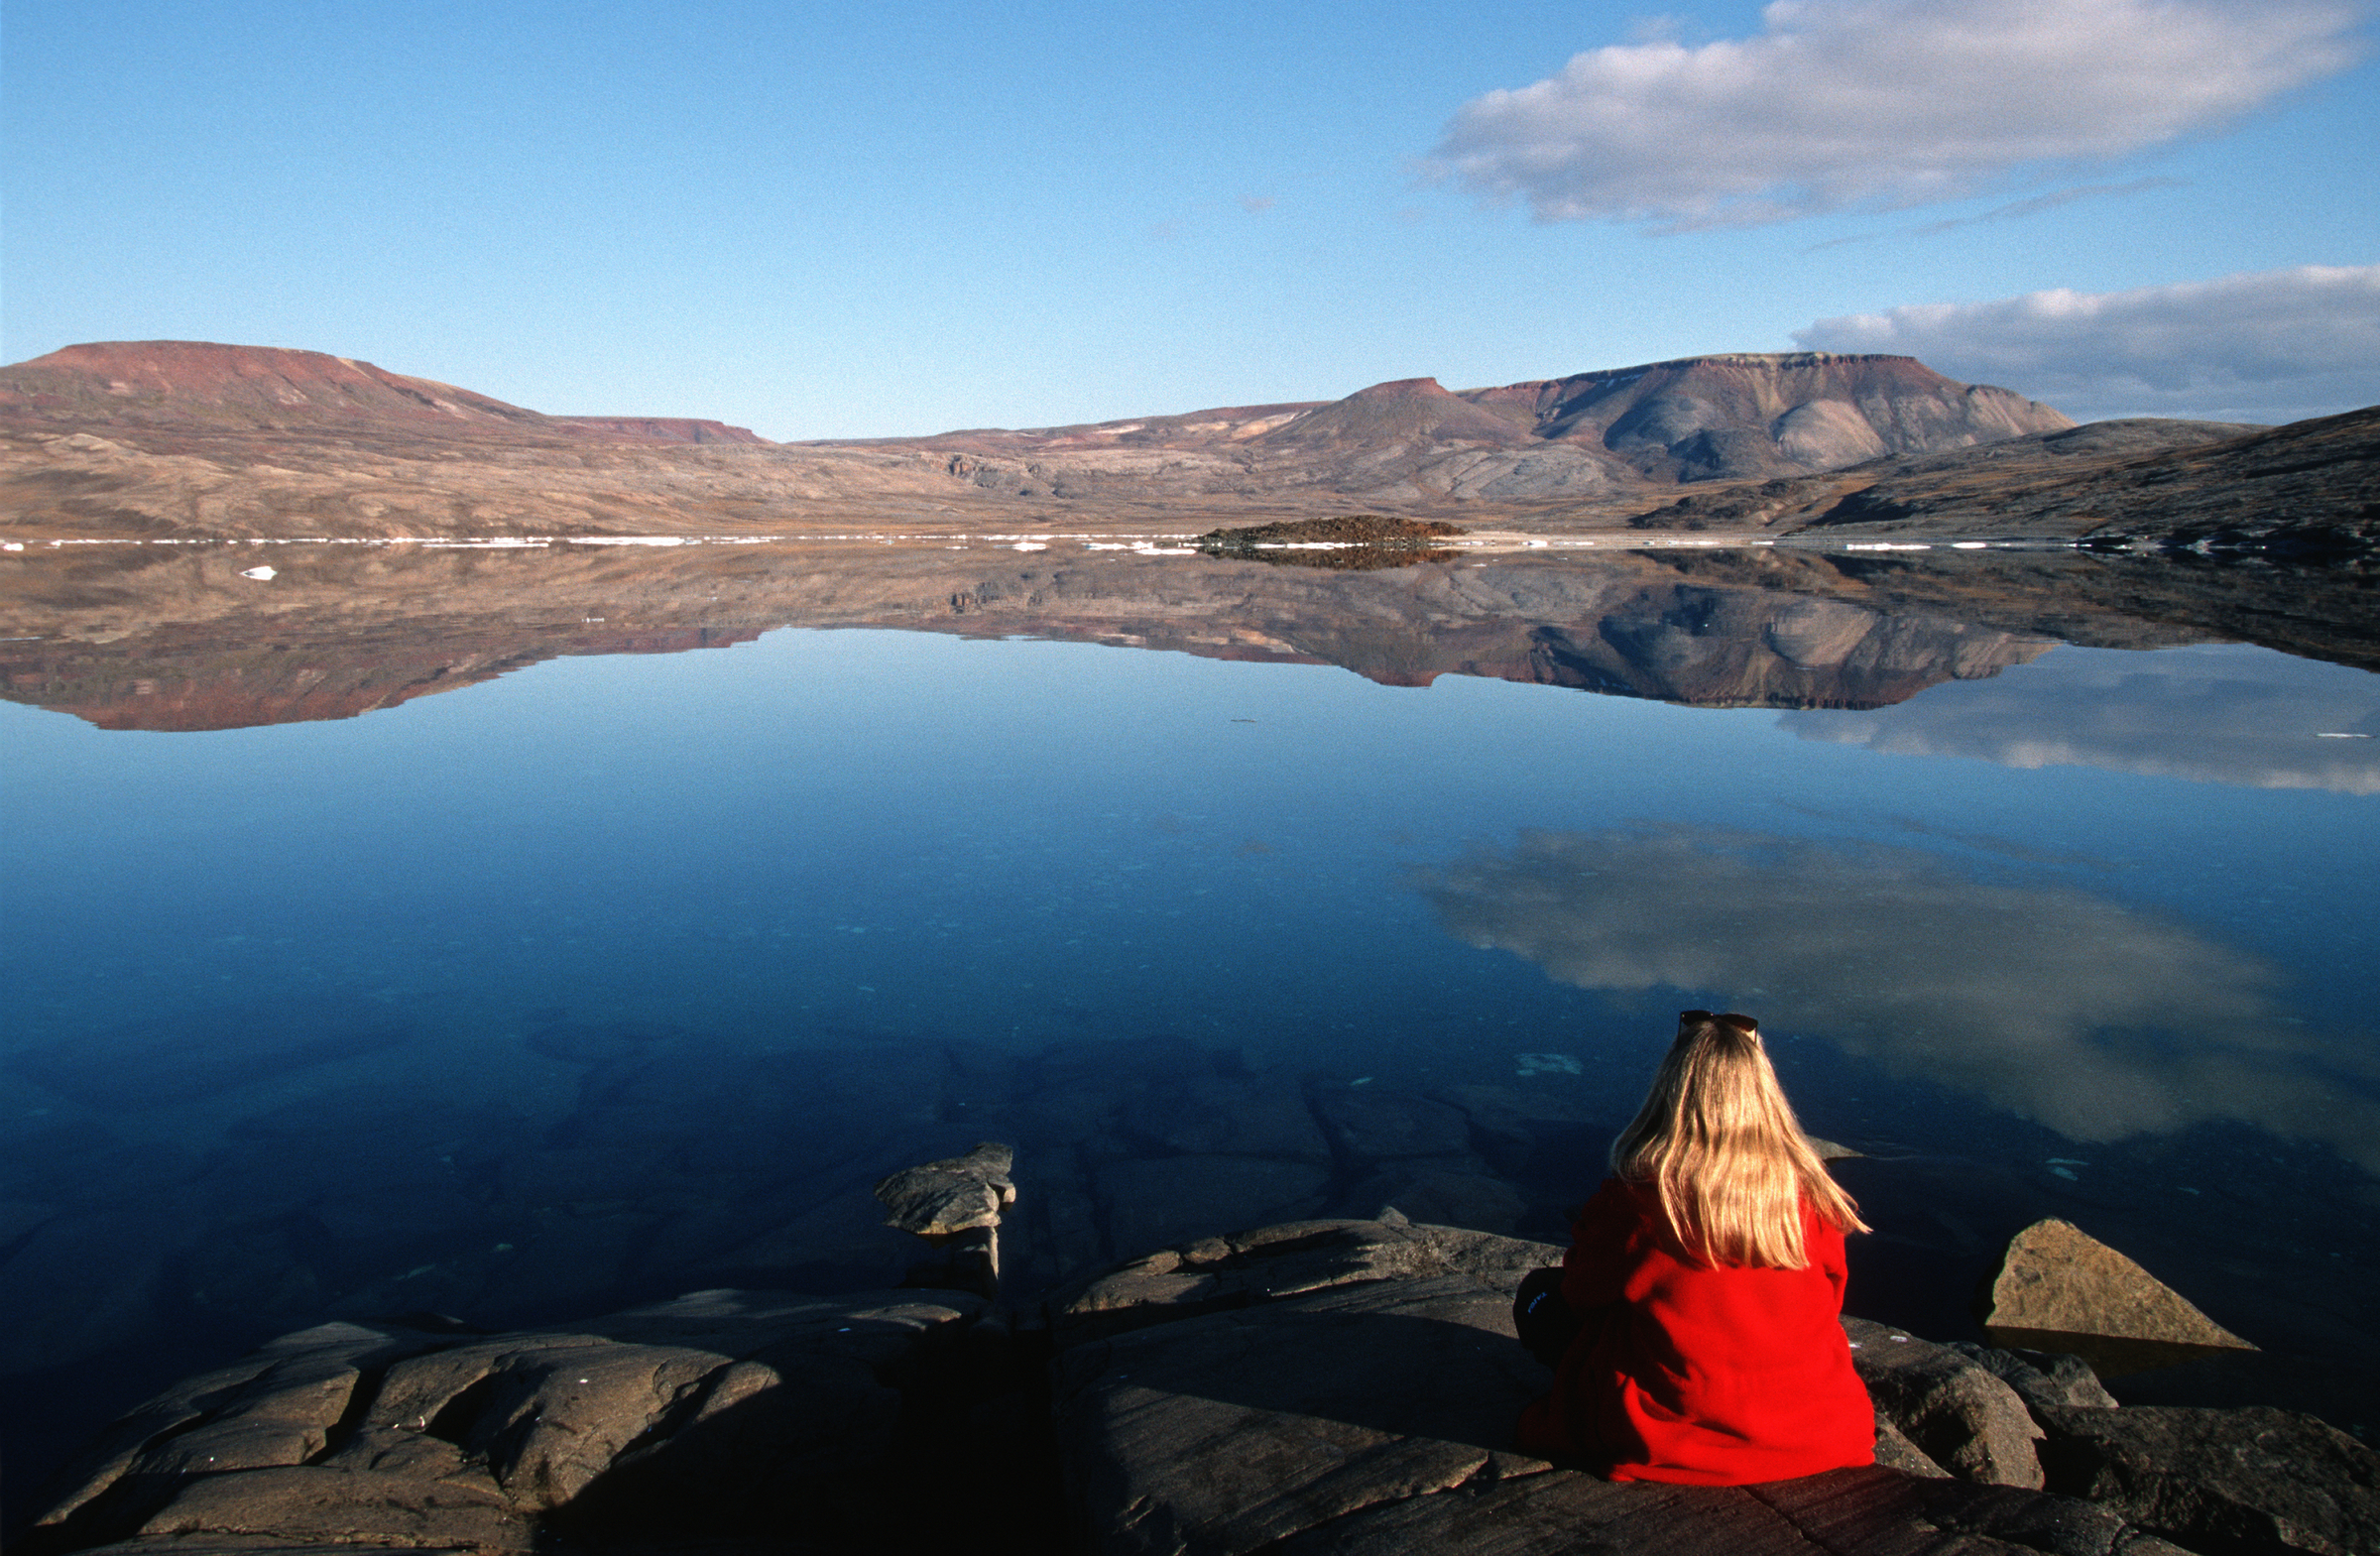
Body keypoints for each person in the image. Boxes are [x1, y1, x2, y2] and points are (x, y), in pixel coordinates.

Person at [1512, 1010, 1876, 1485]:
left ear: (1671, 1089)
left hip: (1670, 1431)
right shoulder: (1809, 1195)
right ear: (1764, 1094)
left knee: (1540, 1295)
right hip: (1817, 1430)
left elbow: (1580, 1292)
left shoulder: (1641, 1199)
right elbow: (1830, 1298)